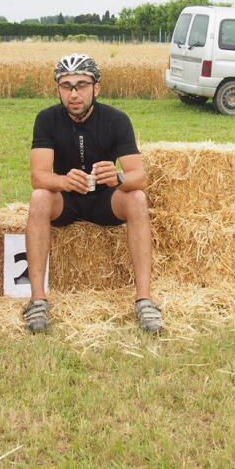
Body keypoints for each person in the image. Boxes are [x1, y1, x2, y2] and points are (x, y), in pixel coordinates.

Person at [23, 53, 163, 334]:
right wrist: (63, 181)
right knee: (39, 197)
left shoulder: (117, 119)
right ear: (58, 89)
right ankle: (38, 299)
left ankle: (145, 299)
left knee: (137, 198)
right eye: (66, 86)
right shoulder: (47, 119)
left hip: (104, 200)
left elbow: (140, 176)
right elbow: (38, 177)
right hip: (66, 200)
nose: (74, 94)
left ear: (96, 88)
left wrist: (119, 177)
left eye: (82, 85)